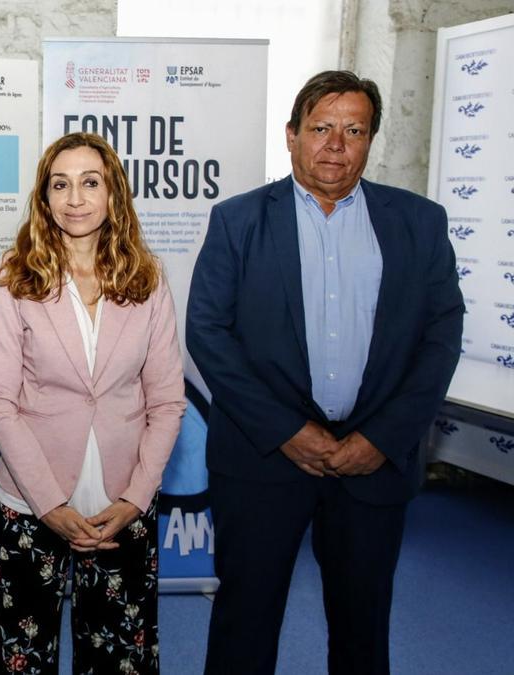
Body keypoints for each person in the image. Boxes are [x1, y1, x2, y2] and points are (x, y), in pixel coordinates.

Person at [188, 70, 464, 675]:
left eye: (354, 130)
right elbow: (207, 333)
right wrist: (288, 430)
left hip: (372, 464)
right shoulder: (238, 222)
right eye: (320, 128)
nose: (335, 144)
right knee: (246, 620)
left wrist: (383, 438)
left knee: (364, 625)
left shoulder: (420, 223)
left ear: (370, 141)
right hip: (263, 460)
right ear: (291, 136)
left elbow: (441, 337)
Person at [0, 132, 186, 675]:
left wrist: (137, 498)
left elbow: (166, 401)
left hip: (123, 499)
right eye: (60, 184)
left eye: (90, 182)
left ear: (113, 192)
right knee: (18, 659)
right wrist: (49, 504)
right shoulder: (13, 277)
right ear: (44, 198)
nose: (75, 199)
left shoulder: (148, 279)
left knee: (119, 656)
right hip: (33, 498)